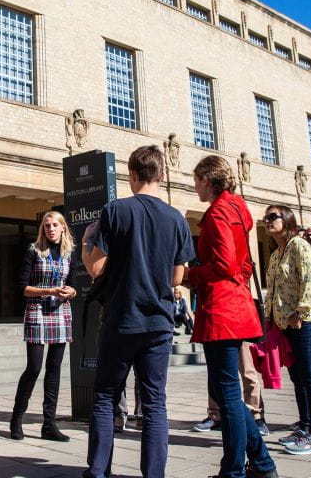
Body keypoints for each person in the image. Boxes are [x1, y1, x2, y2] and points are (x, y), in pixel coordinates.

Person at [81, 145, 193, 478]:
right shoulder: (176, 218)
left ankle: (98, 471)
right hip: (158, 322)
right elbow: (178, 276)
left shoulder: (116, 211)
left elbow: (97, 268)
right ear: (161, 175)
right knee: (155, 402)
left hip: (120, 317)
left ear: (131, 174)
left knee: (104, 396)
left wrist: (88, 244)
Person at [186, 155, 276, 478]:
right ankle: (262, 465)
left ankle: (234, 470)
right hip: (235, 305)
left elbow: (224, 263)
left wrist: (191, 275)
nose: (194, 185)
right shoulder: (238, 208)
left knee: (227, 395)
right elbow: (245, 264)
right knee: (229, 395)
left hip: (221, 311)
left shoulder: (219, 213)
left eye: (196, 179)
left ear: (208, 180)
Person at [263, 205, 311, 455]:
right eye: (265, 218)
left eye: (272, 217)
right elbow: (274, 290)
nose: (267, 221)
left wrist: (299, 313)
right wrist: (269, 319)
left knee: (310, 378)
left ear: (287, 220)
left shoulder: (299, 245)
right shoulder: (277, 252)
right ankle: (305, 427)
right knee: (297, 378)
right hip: (284, 324)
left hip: (305, 322)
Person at [10, 211, 76, 442]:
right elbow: (23, 287)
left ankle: (49, 424)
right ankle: (16, 418)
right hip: (37, 309)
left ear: (63, 228)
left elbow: (73, 286)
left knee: (55, 368)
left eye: (55, 225)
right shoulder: (33, 250)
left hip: (60, 311)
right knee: (34, 367)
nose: (51, 229)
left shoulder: (69, 253)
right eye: (47, 225)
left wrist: (71, 291)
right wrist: (49, 290)